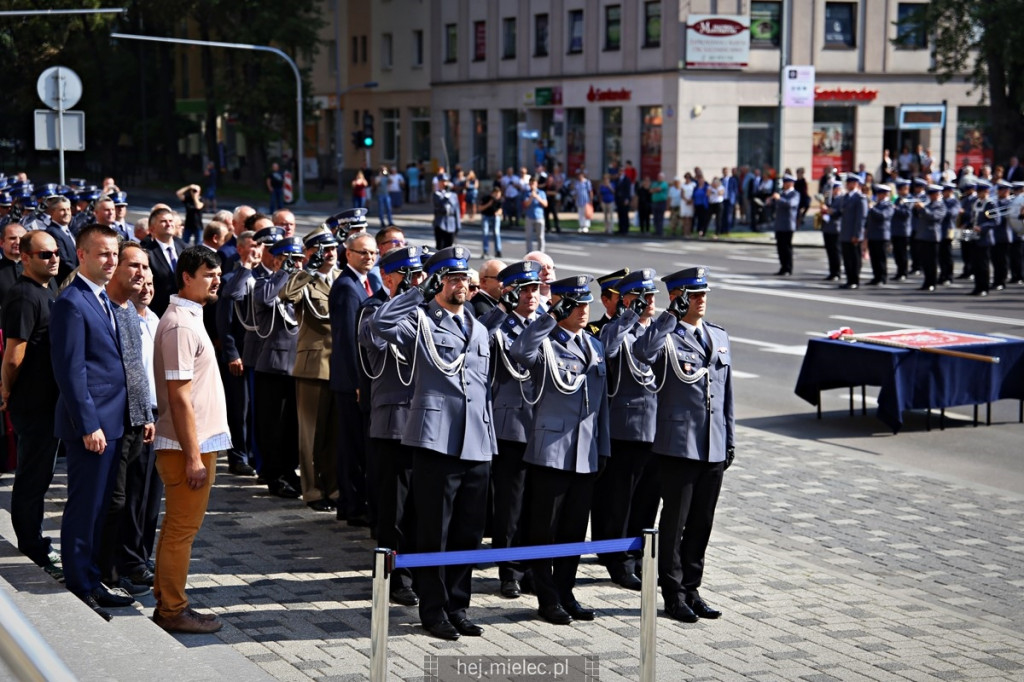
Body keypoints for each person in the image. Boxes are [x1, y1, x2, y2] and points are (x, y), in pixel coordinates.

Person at [371, 245, 498, 641]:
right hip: (436, 441)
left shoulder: (477, 326)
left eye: (464, 278)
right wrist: (416, 294)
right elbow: (378, 328)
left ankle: (459, 605)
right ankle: (433, 609)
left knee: (468, 532)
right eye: (452, 278)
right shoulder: (421, 321)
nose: (461, 285)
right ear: (437, 281)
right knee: (434, 532)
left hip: (476, 440)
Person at [633, 266, 734, 624]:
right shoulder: (667, 336)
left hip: (713, 445)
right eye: (696, 294)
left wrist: (730, 440)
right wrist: (666, 318)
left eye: (705, 294)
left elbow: (726, 397)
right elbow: (643, 353)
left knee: (701, 523)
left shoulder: (719, 337)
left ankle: (692, 588)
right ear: (680, 298)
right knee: (674, 523)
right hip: (678, 446)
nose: (703, 300)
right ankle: (673, 593)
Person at [509, 274, 611, 625]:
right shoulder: (545, 342)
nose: (584, 311)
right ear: (562, 305)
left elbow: (602, 406)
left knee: (572, 529)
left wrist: (604, 447)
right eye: (576, 305)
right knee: (544, 528)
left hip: (585, 452)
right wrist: (550, 317)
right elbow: (519, 352)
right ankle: (547, 596)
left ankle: (566, 591)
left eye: (586, 304)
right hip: (551, 449)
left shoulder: (595, 345)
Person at [50, 224, 131, 620]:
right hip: (92, 427)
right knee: (85, 506)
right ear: (81, 255)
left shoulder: (102, 299)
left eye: (114, 254)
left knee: (101, 508)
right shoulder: (72, 302)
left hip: (112, 422)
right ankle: (79, 584)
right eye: (102, 253)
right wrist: (88, 425)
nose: (111, 260)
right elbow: (71, 372)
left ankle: (94, 576)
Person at [150, 246, 228, 634]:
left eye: (218, 273)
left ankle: (167, 603)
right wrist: (194, 456)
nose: (217, 280)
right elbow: (179, 396)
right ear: (186, 276)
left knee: (176, 529)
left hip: (192, 445)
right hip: (186, 448)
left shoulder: (189, 317)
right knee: (182, 531)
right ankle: (172, 610)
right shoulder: (181, 323)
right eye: (209, 274)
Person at [357, 245, 426, 607]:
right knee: (393, 508)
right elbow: (376, 332)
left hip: (424, 421)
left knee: (419, 505)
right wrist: (414, 297)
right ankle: (393, 576)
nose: (418, 283)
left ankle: (415, 570)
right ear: (387, 278)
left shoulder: (422, 311)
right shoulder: (372, 309)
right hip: (393, 422)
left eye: (419, 276)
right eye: (409, 277)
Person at [593, 269, 659, 591]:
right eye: (641, 298)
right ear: (627, 300)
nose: (649, 303)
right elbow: (607, 349)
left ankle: (639, 556)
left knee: (646, 501)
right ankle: (617, 559)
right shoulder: (615, 330)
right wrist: (627, 317)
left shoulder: (662, 330)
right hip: (625, 428)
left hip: (656, 429)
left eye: (652, 297)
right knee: (619, 500)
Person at [97, 243, 156, 599]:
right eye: (133, 265)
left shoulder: (133, 313)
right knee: (112, 500)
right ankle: (104, 572)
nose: (141, 273)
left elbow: (137, 372)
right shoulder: (103, 307)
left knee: (135, 498)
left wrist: (145, 414)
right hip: (107, 423)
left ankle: (124, 566)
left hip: (137, 418)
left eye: (146, 267)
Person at [2, 230, 61, 581]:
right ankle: (31, 545)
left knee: (40, 478)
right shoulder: (24, 296)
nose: (53, 258)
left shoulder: (46, 290)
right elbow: (14, 355)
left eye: (55, 252)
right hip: (32, 403)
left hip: (46, 403)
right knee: (31, 479)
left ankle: (35, 539)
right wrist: (7, 392)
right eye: (44, 254)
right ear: (25, 257)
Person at [279, 226, 342, 513]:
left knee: (333, 434)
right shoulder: (303, 280)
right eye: (322, 250)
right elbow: (286, 296)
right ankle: (313, 491)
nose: (329, 254)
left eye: (332, 249)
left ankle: (334, 488)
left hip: (338, 365)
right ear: (310, 252)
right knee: (311, 435)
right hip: (313, 365)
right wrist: (308, 269)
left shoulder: (341, 279)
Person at [328, 231, 378, 525]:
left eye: (372, 253)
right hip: (351, 382)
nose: (369, 257)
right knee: (352, 446)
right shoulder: (348, 287)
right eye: (363, 253)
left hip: (354, 380)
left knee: (356, 444)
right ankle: (351, 504)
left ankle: (353, 501)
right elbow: (348, 340)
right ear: (348, 254)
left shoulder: (362, 283)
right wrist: (359, 382)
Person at [143, 207, 187, 316]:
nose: (168, 224)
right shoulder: (147, 253)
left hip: (184, 310)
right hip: (159, 312)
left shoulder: (185, 248)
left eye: (170, 221)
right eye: (163, 221)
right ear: (152, 229)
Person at [831, 174, 868, 289]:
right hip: (845, 232)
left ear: (856, 184)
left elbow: (861, 218)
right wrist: (831, 212)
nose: (847, 185)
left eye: (850, 183)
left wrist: (857, 234)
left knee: (854, 258)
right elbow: (841, 212)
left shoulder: (860, 198)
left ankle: (854, 280)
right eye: (847, 183)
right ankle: (849, 279)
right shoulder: (845, 197)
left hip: (853, 233)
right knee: (847, 258)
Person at [912, 184, 948, 291]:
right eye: (931, 194)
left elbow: (934, 217)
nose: (932, 196)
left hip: (932, 236)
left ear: (938, 194)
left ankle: (932, 283)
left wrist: (923, 209)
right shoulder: (928, 204)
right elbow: (918, 216)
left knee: (932, 262)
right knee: (925, 261)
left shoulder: (941, 205)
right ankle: (926, 282)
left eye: (934, 194)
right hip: (923, 235)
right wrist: (916, 208)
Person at [769, 174, 800, 276]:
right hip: (779, 225)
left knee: (787, 247)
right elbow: (776, 206)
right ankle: (782, 267)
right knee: (780, 248)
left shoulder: (795, 194)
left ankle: (788, 268)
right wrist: (771, 201)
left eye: (786, 182)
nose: (784, 184)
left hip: (788, 224)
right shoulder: (782, 194)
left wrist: (779, 199)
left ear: (791, 183)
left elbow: (790, 204)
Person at [865, 184, 895, 286]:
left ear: (885, 194)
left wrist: (872, 209)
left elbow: (883, 216)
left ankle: (882, 277)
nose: (878, 195)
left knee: (881, 258)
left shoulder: (889, 205)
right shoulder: (877, 204)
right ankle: (876, 277)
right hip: (873, 234)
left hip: (882, 235)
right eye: (878, 193)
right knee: (874, 258)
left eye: (881, 193)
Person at [521, 176, 548, 254]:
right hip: (529, 217)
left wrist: (537, 197)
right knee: (529, 236)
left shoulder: (541, 193)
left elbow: (545, 204)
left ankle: (541, 253)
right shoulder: (527, 193)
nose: (532, 185)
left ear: (537, 184)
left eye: (534, 183)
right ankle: (529, 252)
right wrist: (531, 197)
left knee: (540, 237)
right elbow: (526, 204)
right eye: (531, 183)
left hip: (539, 217)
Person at [433, 180, 461, 250]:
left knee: (449, 247)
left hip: (451, 223)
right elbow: (437, 205)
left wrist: (458, 225)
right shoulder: (437, 194)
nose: (444, 184)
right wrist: (445, 198)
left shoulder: (453, 195)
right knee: (439, 247)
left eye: (446, 182)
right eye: (442, 182)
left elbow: (456, 210)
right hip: (440, 222)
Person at [479, 185, 503, 257]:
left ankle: (498, 251)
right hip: (486, 216)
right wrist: (489, 204)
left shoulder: (500, 200)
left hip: (495, 217)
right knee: (485, 232)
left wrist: (497, 213)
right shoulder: (486, 198)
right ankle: (485, 251)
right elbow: (480, 208)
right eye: (496, 194)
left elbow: (500, 210)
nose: (497, 196)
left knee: (496, 232)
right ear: (492, 194)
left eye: (498, 194)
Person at [573, 168, 594, 234]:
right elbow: (575, 192)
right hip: (579, 200)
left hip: (586, 200)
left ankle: (586, 226)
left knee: (586, 213)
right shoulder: (577, 183)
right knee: (580, 213)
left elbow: (590, 191)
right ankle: (581, 225)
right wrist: (575, 199)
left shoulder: (587, 182)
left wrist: (591, 199)